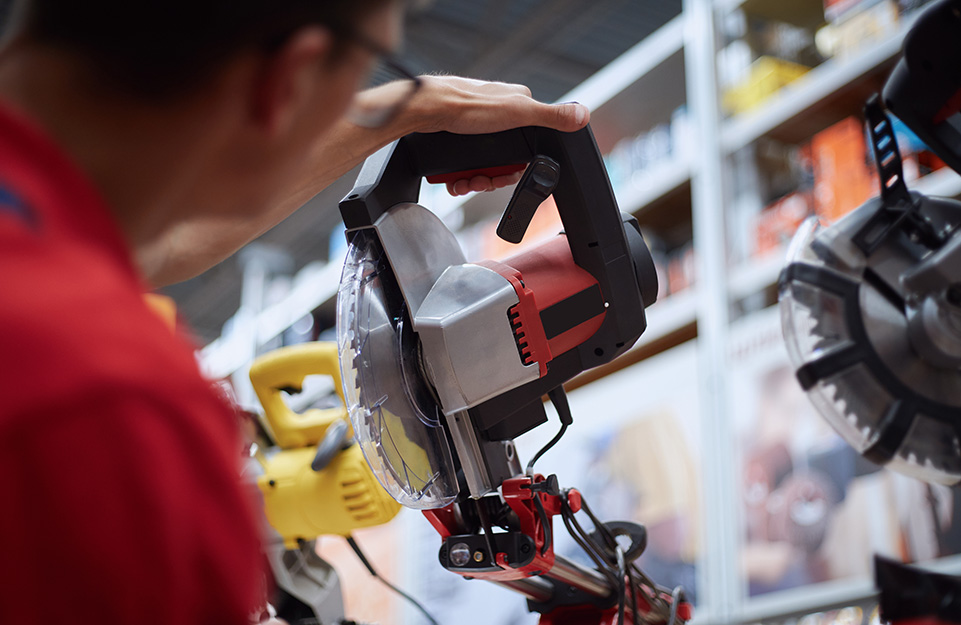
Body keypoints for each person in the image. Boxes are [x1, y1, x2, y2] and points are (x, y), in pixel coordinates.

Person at [0, 1, 590, 623]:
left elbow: (163, 241)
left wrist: (406, 112)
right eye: (373, 68)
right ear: (287, 79)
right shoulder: (111, 408)